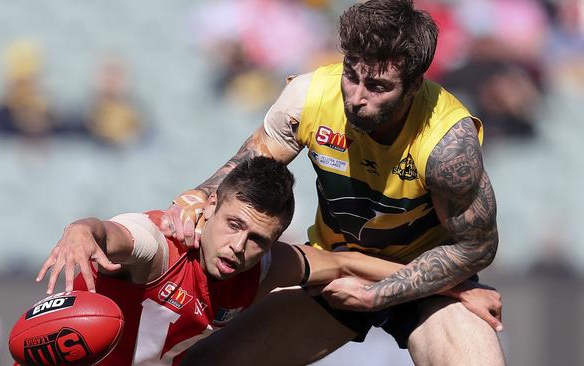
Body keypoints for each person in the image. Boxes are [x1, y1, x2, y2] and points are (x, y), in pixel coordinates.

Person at [163, 1, 506, 365]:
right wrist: (196, 197)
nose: (356, 98)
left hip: (427, 282)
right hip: (334, 267)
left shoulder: (449, 145)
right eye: (351, 75)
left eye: (377, 86)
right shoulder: (308, 97)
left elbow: (476, 248)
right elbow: (243, 173)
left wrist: (380, 294)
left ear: (413, 86)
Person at [36, 157, 498, 366]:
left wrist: (456, 288)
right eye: (233, 224)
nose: (239, 246)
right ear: (208, 208)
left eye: (258, 237)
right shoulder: (159, 244)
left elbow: (347, 264)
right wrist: (81, 230)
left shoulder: (262, 266)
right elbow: (114, 234)